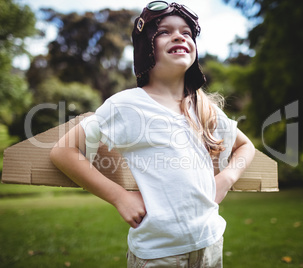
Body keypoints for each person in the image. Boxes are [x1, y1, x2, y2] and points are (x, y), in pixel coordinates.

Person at [50, 1, 255, 267]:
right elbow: (62, 151)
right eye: (164, 32)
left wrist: (227, 178)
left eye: (186, 33)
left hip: (211, 241)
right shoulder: (125, 106)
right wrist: (118, 196)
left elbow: (245, 146)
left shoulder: (203, 107)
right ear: (146, 46)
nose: (179, 36)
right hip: (158, 253)